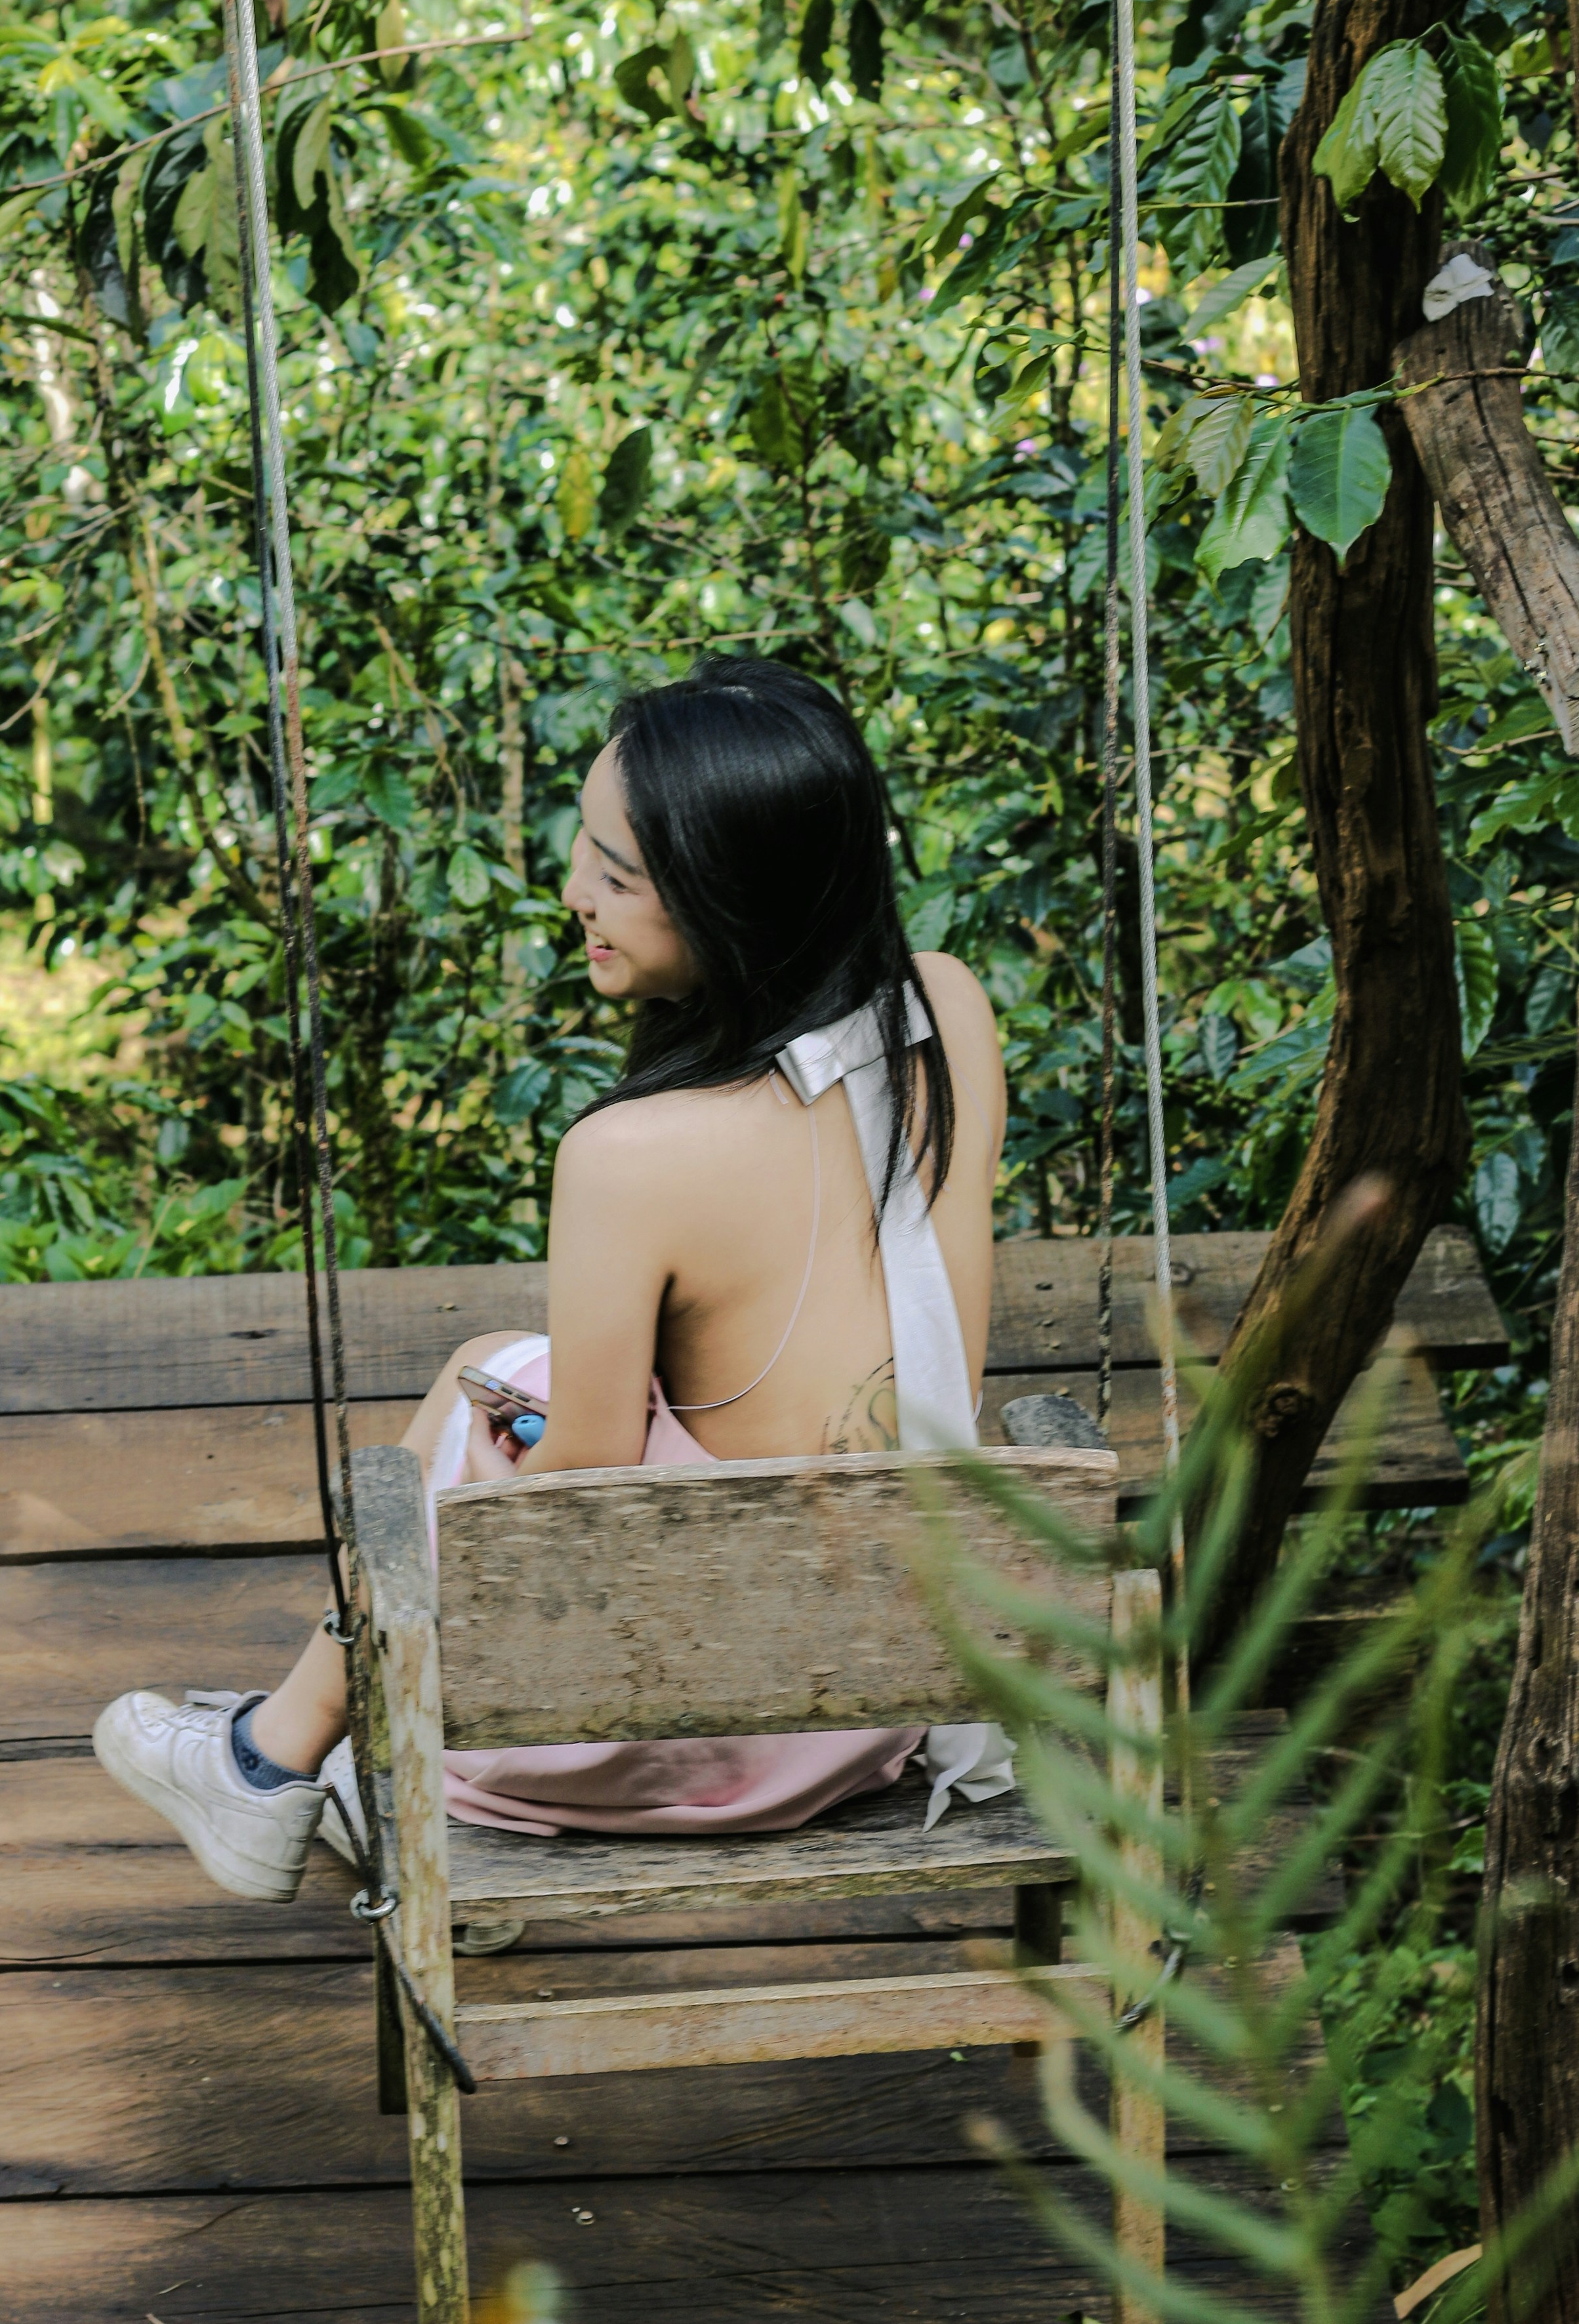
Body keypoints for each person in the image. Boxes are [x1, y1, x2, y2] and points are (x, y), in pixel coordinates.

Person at [94, 655, 1010, 1909]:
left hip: (702, 1731)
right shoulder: (945, 1009)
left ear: (734, 899)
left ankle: (272, 1759)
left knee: (483, 1383)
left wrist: (511, 1455)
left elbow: (577, 1496)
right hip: (878, 1698)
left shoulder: (632, 1157)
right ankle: (273, 1753)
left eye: (618, 875)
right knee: (510, 1372)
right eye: (586, 847)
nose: (575, 891)